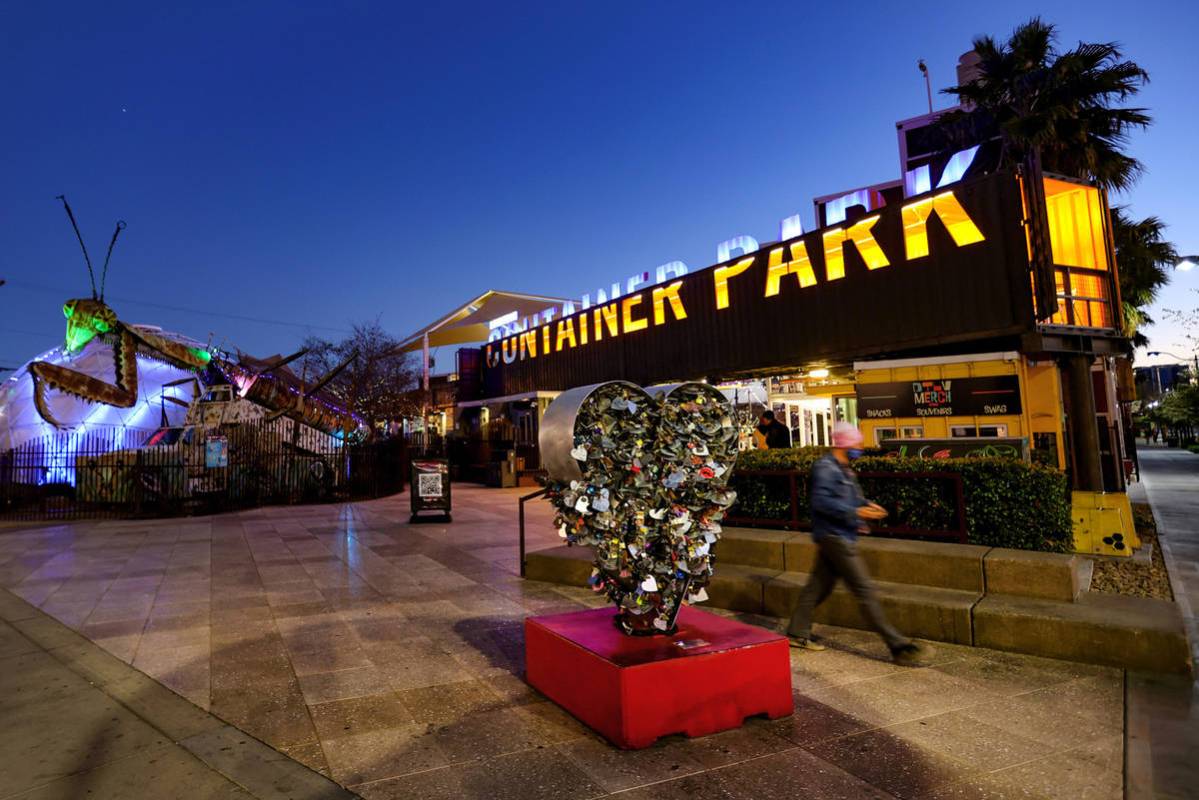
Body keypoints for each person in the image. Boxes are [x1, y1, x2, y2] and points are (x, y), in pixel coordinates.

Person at [787, 422, 929, 666]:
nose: (860, 448)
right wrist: (858, 512)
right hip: (836, 536)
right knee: (864, 590)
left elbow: (851, 498)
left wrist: (868, 505)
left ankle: (796, 632)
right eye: (857, 443)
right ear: (844, 444)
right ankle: (898, 646)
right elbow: (822, 503)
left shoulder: (844, 469)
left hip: (838, 534)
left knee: (817, 587)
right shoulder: (826, 468)